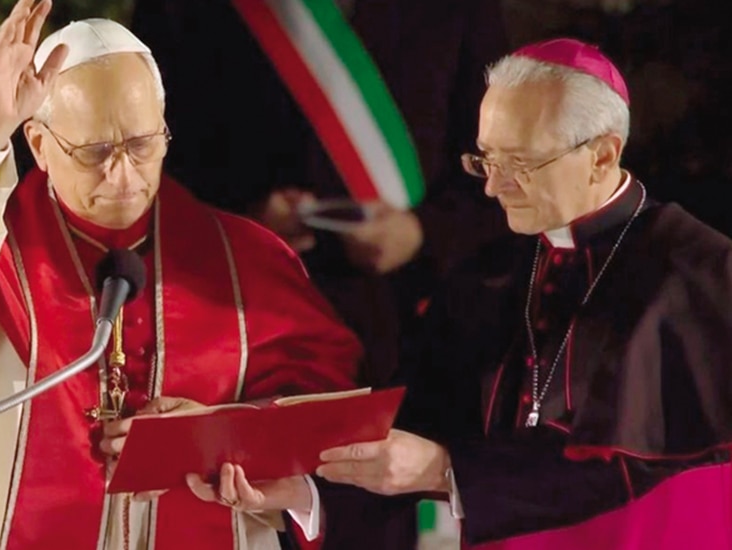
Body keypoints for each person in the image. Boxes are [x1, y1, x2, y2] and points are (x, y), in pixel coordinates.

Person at [0, 3, 365, 549]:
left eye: (142, 145)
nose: (123, 174)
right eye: (95, 152)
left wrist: (221, 432)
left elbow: (324, 423)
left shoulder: (246, 263)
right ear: (40, 147)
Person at [305, 38, 732, 548]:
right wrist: (301, 485)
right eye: (486, 159)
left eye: (521, 164)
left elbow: (627, 461)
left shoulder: (700, 273)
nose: (492, 187)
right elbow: (414, 423)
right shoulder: (492, 273)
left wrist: (445, 468)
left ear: (602, 156)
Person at [128, 0, 512, 389]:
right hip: (240, 327)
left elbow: (500, 173)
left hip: (413, 329)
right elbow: (149, 156)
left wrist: (421, 234)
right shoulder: (183, 10)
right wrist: (241, 223)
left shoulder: (458, 9)